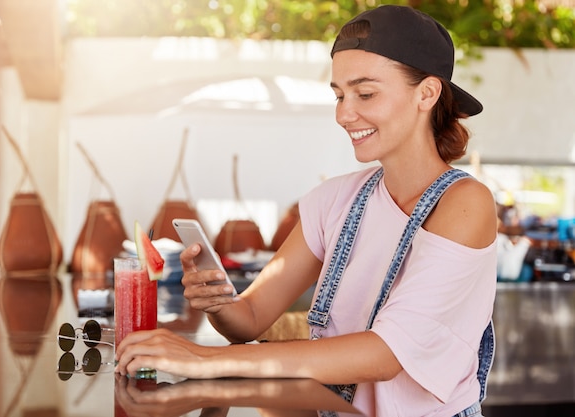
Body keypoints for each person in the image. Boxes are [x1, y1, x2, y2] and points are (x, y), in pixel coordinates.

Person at [116, 5, 498, 417]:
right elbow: (250, 318)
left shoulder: (464, 203)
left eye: (365, 94)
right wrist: (220, 302)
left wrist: (202, 360)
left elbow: (387, 354)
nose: (343, 113)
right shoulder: (334, 201)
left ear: (427, 93)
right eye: (338, 95)